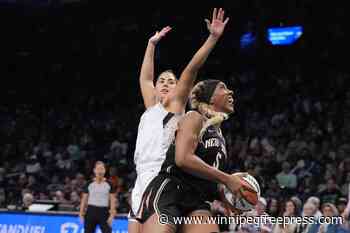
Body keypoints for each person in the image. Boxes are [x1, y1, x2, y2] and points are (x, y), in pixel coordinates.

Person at [129, 7, 230, 233]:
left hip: (164, 175)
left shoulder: (176, 108)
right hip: (141, 179)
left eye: (171, 81)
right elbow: (145, 77)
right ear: (155, 88)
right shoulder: (151, 108)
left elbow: (191, 69)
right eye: (162, 80)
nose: (165, 83)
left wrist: (212, 38)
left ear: (179, 90)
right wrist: (151, 44)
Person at [138, 79, 249, 233]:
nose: (231, 92)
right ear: (210, 99)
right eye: (223, 88)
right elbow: (183, 159)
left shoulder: (220, 137)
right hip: (171, 192)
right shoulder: (194, 117)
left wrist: (225, 196)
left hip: (198, 200)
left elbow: (206, 176)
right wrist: (228, 179)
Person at [79, 161, 116, 233]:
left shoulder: (109, 184)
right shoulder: (89, 183)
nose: (100, 171)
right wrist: (81, 213)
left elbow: (112, 201)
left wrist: (112, 215)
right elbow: (84, 200)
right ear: (94, 170)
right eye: (98, 169)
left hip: (104, 212)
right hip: (91, 211)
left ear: (105, 170)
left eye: (102, 169)